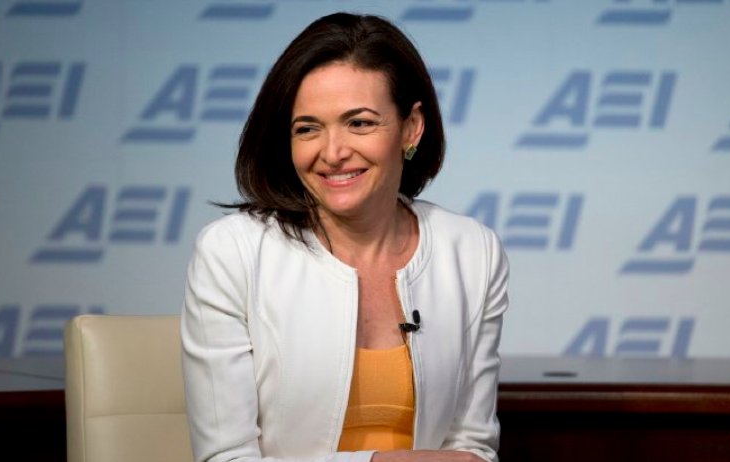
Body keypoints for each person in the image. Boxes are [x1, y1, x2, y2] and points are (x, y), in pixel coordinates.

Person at [181, 12, 509, 462]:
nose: (333, 153)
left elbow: (473, 447)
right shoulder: (231, 253)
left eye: (360, 123)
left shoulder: (472, 252)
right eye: (308, 128)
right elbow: (226, 459)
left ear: (411, 127)